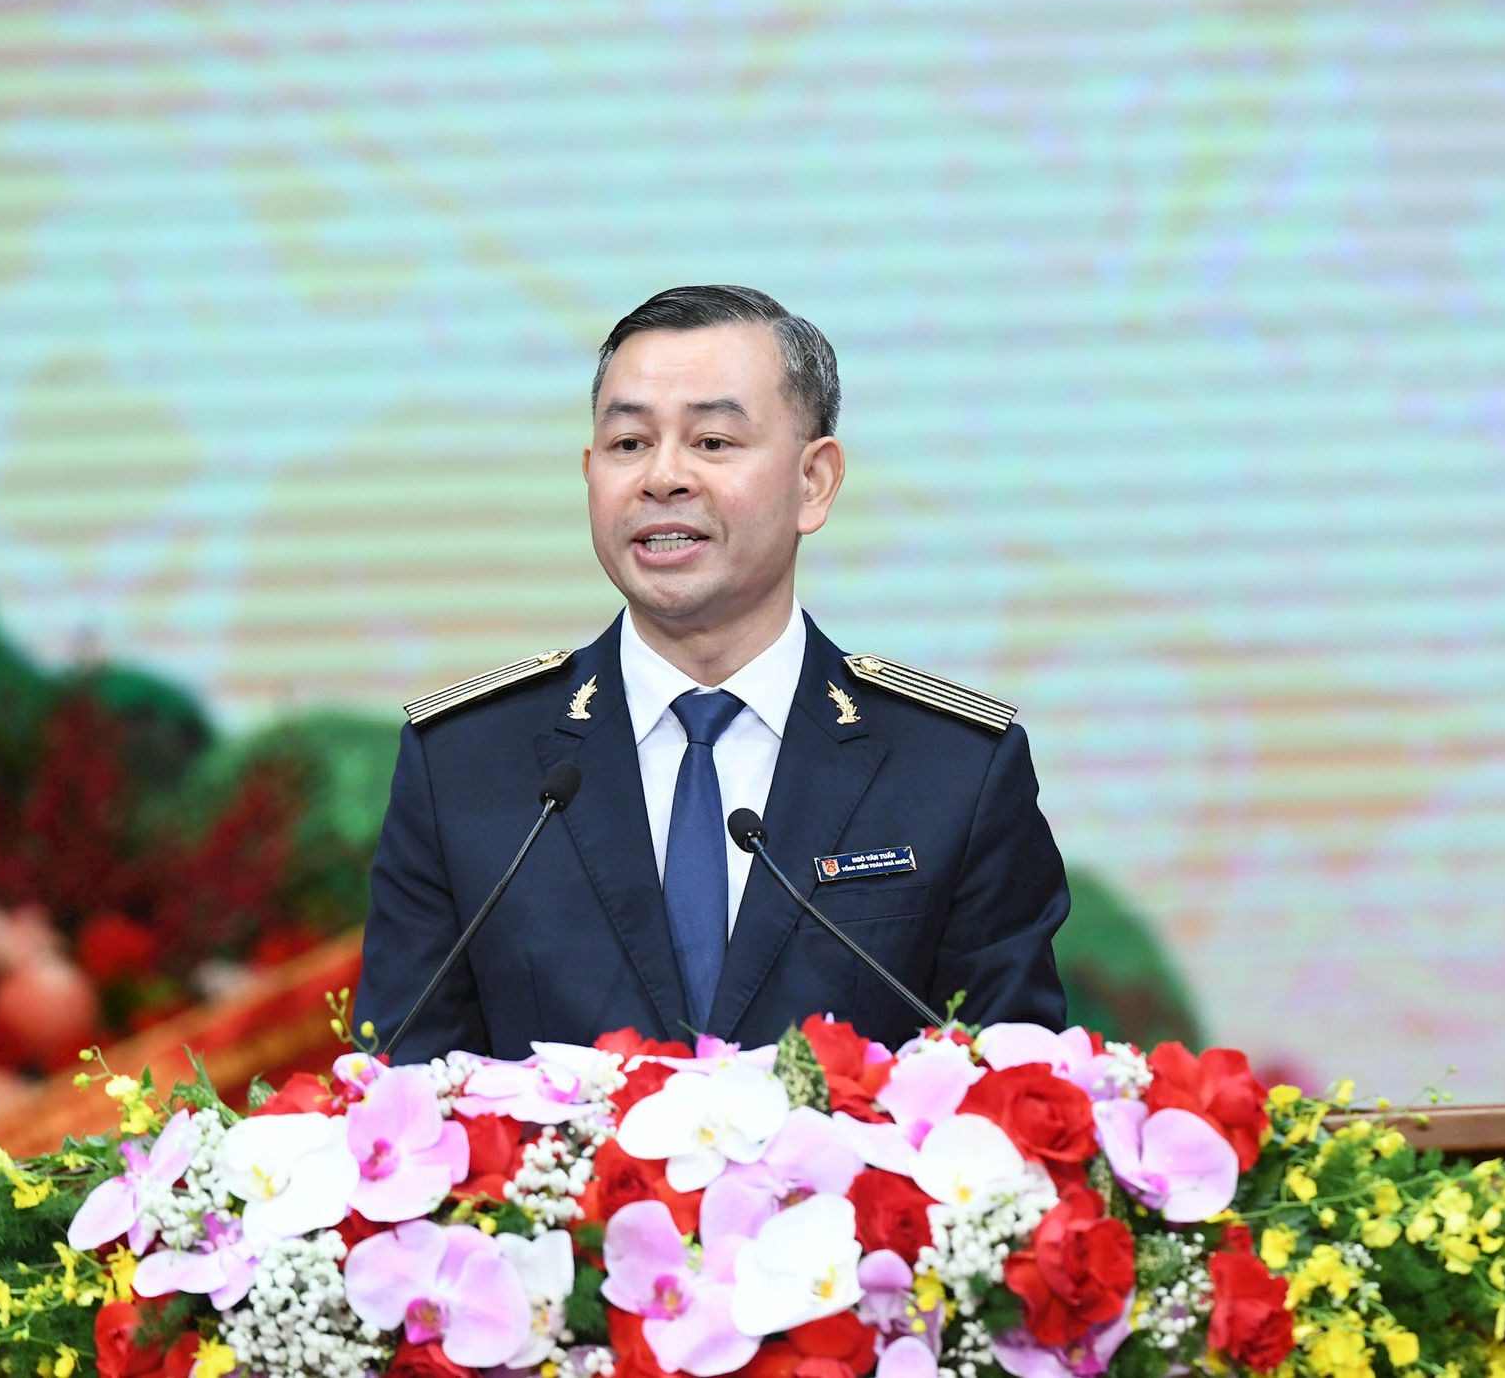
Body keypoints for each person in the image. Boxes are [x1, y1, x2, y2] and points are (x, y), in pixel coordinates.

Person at [355, 285, 1070, 1062]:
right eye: (629, 444)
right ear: (590, 474)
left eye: (714, 442)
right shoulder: (463, 766)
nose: (662, 477)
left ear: (813, 482)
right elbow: (402, 1086)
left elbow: (1016, 1094)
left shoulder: (953, 771)